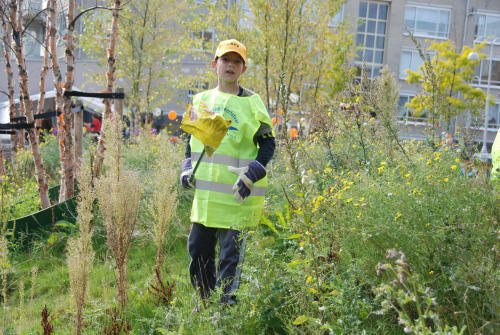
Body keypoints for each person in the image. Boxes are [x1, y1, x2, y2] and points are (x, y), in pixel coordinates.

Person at [180, 39, 276, 306]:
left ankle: (226, 312)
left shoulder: (253, 103)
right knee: (198, 252)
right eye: (225, 60)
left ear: (243, 68)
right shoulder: (201, 101)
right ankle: (206, 305)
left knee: (229, 260)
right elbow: (189, 141)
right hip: (206, 201)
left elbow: (268, 143)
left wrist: (254, 171)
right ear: (215, 65)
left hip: (238, 197)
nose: (231, 65)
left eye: (237, 61)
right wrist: (186, 166)